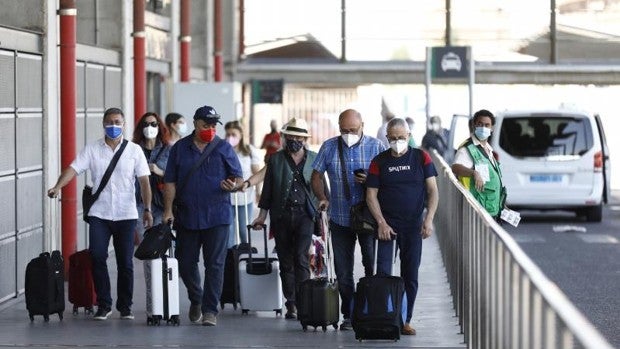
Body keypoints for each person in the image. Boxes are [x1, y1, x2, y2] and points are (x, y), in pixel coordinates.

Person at [47, 107, 153, 321]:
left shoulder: (134, 151)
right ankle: (104, 304)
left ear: (124, 124)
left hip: (126, 213)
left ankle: (126, 306)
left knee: (125, 262)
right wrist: (58, 186)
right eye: (110, 122)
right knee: (97, 256)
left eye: (117, 121)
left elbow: (144, 182)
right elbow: (74, 168)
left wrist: (148, 209)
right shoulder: (93, 149)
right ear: (104, 124)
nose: (114, 125)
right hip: (100, 213)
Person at [162, 105, 243, 326]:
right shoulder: (179, 148)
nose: (210, 128)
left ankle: (210, 310)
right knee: (185, 262)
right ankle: (196, 297)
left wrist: (232, 186)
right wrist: (168, 210)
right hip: (187, 216)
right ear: (196, 123)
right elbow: (170, 181)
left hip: (217, 216)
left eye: (213, 124)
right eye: (206, 124)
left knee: (214, 264)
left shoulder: (223, 148)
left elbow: (238, 178)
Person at [310, 108, 386, 330]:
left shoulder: (376, 147)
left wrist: (370, 181)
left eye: (353, 130)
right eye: (344, 130)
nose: (348, 134)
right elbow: (316, 175)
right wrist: (323, 197)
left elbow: (387, 181)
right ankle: (349, 315)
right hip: (340, 219)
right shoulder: (329, 146)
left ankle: (370, 310)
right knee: (343, 272)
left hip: (368, 219)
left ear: (363, 126)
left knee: (371, 265)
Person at [365, 117, 439, 336]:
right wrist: (381, 223)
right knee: (384, 273)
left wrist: (429, 219)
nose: (397, 142)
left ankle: (405, 319)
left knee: (410, 275)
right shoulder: (379, 161)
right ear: (387, 138)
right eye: (393, 138)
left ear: (409, 136)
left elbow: (433, 190)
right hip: (387, 226)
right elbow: (371, 195)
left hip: (413, 226)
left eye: (401, 138)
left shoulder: (421, 157)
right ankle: (386, 317)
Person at [251, 117, 322, 320]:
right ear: (284, 137)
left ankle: (304, 303)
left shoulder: (315, 159)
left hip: (305, 215)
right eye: (290, 135)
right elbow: (268, 192)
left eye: (298, 136)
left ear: (304, 139)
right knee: (285, 261)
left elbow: (321, 190)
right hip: (281, 215)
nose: (294, 139)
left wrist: (324, 213)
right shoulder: (275, 159)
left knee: (301, 259)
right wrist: (261, 217)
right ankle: (291, 303)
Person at [451, 109, 505, 220]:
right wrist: (474, 173)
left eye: (487, 125)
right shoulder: (467, 149)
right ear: (474, 125)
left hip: (491, 209)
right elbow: (455, 167)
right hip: (478, 210)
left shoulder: (488, 149)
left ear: (492, 128)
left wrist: (501, 203)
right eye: (480, 124)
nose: (483, 128)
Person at [132, 112, 171, 241]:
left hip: (161, 203)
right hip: (140, 203)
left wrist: (159, 171)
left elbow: (176, 176)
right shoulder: (134, 149)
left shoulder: (168, 150)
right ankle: (148, 263)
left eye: (154, 124)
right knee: (146, 243)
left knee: (158, 242)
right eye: (146, 124)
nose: (150, 127)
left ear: (159, 127)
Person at [224, 120, 262, 247]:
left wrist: (258, 192)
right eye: (228, 134)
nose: (230, 138)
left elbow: (257, 173)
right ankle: (230, 258)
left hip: (245, 197)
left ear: (240, 135)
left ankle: (245, 254)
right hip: (227, 198)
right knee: (228, 230)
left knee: (243, 228)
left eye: (233, 135)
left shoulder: (250, 152)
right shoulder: (223, 150)